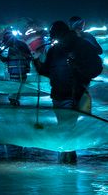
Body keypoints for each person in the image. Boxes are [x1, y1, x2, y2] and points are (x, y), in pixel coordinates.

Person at [34, 21, 102, 163]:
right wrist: (35, 61)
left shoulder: (82, 45)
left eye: (53, 35)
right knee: (63, 127)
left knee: (68, 127)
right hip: (58, 95)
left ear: (62, 33)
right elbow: (46, 70)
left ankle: (69, 159)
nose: (52, 38)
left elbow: (96, 68)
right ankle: (65, 158)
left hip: (75, 94)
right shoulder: (54, 50)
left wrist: (77, 66)